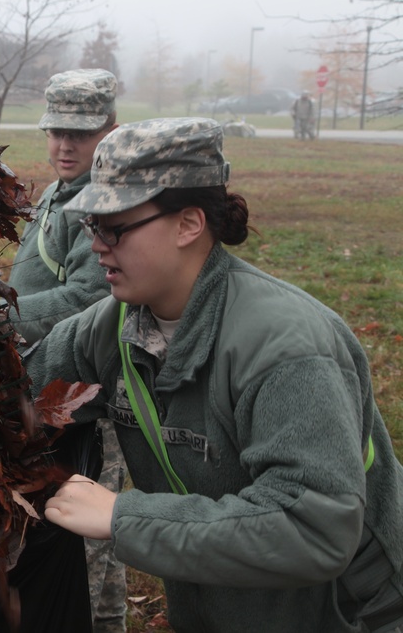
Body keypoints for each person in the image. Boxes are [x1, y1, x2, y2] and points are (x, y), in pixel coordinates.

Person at [29, 117, 403, 632]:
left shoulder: (286, 348)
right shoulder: (111, 327)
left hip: (345, 615)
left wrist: (122, 517)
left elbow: (313, 528)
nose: (96, 245)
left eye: (114, 226)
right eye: (91, 225)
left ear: (189, 224)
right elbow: (18, 394)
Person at [7, 68, 128, 633]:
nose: (65, 144)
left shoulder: (102, 204)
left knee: (89, 549)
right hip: (51, 377)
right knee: (93, 557)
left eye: (81, 132)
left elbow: (90, 297)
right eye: (56, 130)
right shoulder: (60, 192)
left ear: (111, 128)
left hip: (89, 398)